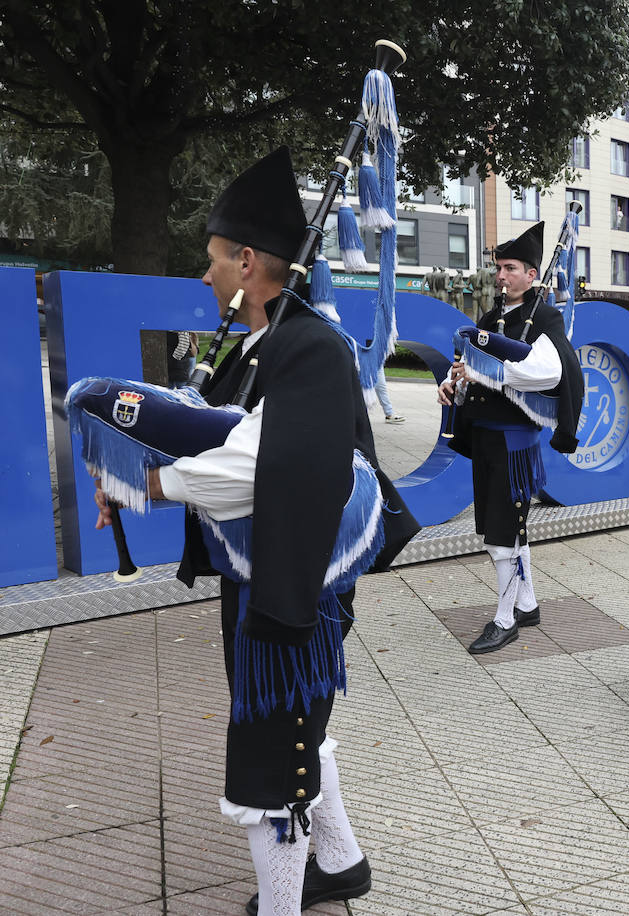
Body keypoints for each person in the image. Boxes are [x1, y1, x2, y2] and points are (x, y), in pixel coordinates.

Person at [95, 147, 418, 916]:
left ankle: (282, 905)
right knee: (298, 734)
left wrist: (145, 486)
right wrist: (135, 454)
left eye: (212, 262)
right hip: (263, 583)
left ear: (247, 261)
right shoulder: (253, 349)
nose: (204, 277)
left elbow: (254, 468)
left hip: (293, 595)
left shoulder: (310, 348)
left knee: (274, 760)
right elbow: (213, 435)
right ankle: (340, 866)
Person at [438, 223, 583, 654]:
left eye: (510, 268)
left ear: (532, 274)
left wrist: (490, 372)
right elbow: (467, 363)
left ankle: (505, 620)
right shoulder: (491, 317)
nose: (501, 275)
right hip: (485, 435)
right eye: (499, 267)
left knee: (503, 531)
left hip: (512, 441)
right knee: (510, 526)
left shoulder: (546, 318)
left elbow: (548, 374)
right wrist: (453, 383)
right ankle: (528, 603)